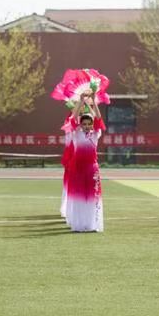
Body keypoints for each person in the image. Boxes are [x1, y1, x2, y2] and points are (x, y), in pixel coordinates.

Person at [65, 94, 104, 232]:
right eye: (84, 124)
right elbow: (73, 118)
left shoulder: (96, 134)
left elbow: (98, 118)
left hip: (92, 170)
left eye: (89, 124)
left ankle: (92, 224)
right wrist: (81, 101)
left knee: (92, 196)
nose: (87, 126)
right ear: (80, 125)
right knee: (79, 196)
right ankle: (79, 225)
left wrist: (93, 100)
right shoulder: (76, 133)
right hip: (78, 169)